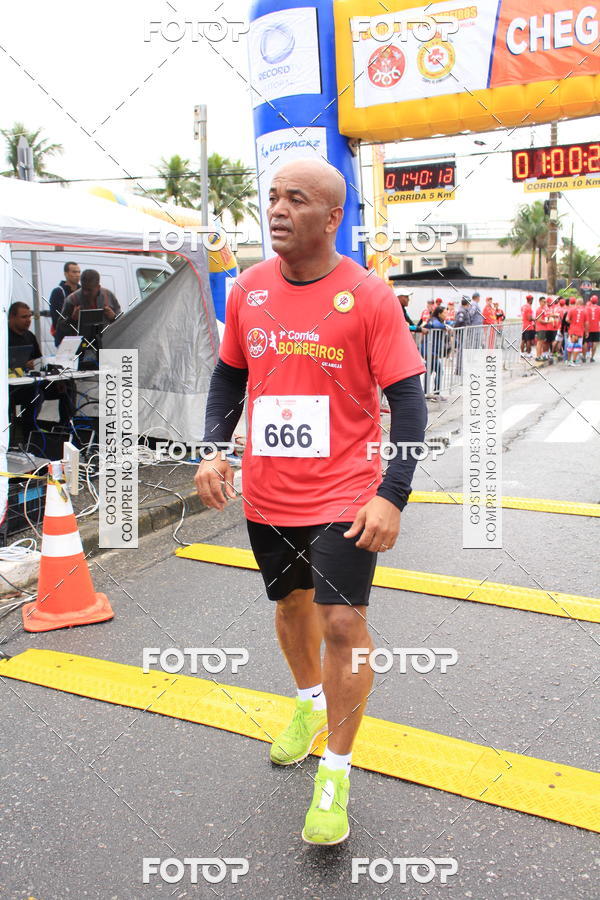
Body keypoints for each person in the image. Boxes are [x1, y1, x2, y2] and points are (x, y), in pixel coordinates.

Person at [194, 158, 427, 846]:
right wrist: (213, 448)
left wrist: (392, 495)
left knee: (342, 623)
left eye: (296, 199)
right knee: (290, 606)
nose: (278, 209)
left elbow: (409, 402)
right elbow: (228, 377)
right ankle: (307, 703)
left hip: (345, 493)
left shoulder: (369, 296)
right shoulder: (249, 290)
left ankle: (337, 771)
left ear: (332, 218)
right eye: (272, 197)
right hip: (269, 493)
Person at [8, 302, 75, 444]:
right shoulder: (4, 337)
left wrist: (56, 377)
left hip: (32, 382)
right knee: (34, 392)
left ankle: (65, 428)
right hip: (12, 388)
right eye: (24, 317)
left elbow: (39, 362)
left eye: (29, 316)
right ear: (12, 317)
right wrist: (22, 365)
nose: (28, 320)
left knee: (67, 385)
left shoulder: (30, 336)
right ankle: (29, 435)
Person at [56, 268, 121, 344]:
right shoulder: (72, 300)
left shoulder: (109, 295)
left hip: (107, 344)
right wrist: (72, 319)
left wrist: (114, 317)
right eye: (83, 288)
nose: (85, 292)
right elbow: (60, 329)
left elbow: (124, 324)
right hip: (81, 346)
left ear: (98, 287)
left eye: (89, 290)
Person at [49, 261, 80, 347]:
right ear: (66, 274)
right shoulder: (58, 292)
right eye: (74, 272)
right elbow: (57, 319)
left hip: (82, 336)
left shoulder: (83, 292)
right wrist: (73, 317)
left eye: (79, 272)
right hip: (65, 338)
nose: (77, 275)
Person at [422, 304, 449, 399]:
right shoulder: (434, 321)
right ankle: (435, 393)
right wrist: (445, 327)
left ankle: (427, 393)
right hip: (430, 351)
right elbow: (435, 325)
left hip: (432, 351)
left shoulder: (438, 321)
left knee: (429, 371)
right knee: (439, 371)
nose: (446, 314)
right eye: (445, 313)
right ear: (439, 314)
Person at [566, 297, 588, 366]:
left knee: (570, 346)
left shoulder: (571, 310)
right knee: (577, 347)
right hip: (580, 331)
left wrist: (572, 323)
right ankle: (574, 361)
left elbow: (567, 319)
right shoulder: (584, 311)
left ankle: (568, 360)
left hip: (572, 330)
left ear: (576, 302)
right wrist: (587, 332)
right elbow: (586, 323)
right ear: (582, 303)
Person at [453, 298, 470, 375]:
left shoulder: (464, 310)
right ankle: (458, 370)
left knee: (462, 351)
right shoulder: (462, 311)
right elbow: (459, 322)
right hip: (461, 333)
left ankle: (459, 369)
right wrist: (457, 331)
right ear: (467, 304)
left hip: (463, 333)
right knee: (461, 352)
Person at [585, 294, 600, 362]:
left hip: (587, 328)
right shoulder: (599, 308)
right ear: (597, 301)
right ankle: (592, 357)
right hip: (596, 328)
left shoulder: (587, 308)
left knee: (586, 342)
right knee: (595, 342)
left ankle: (585, 355)